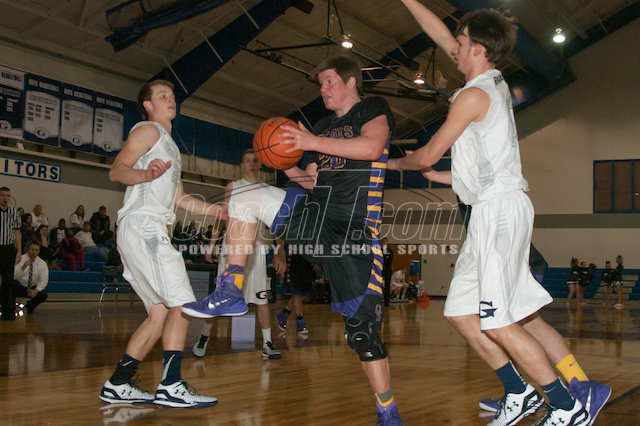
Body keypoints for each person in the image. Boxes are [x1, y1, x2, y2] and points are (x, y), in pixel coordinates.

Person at [393, 2, 601, 424]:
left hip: (500, 212)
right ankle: (519, 391)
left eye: (461, 41)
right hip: (486, 209)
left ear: (478, 49)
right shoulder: (489, 81)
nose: (453, 47)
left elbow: (427, 154)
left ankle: (566, 408)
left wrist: (391, 163)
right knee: (460, 312)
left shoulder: (474, 95)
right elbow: (441, 36)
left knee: (499, 322)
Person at [182, 55, 401, 424]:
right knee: (245, 195)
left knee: (362, 334)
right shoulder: (322, 128)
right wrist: (283, 161)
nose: (322, 88)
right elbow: (310, 181)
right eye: (320, 82)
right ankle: (231, 288)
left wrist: (310, 139)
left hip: (354, 233)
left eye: (329, 80)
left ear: (350, 81)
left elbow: (371, 148)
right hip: (316, 217)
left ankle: (388, 412)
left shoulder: (371, 109)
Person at [99, 79, 225, 408]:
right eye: (162, 95)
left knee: (159, 313)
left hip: (145, 230)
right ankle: (171, 385)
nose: (171, 99)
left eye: (172, 95)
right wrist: (144, 175)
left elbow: (180, 198)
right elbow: (117, 170)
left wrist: (217, 211)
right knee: (182, 301)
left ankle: (119, 383)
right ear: (148, 105)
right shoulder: (149, 130)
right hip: (144, 226)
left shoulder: (169, 146)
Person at [192, 149, 283, 360]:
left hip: (256, 251)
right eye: (247, 161)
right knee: (221, 296)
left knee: (261, 299)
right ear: (242, 165)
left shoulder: (266, 190)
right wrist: (212, 243)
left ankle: (268, 343)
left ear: (260, 165)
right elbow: (222, 216)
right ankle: (204, 337)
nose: (251, 164)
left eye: (255, 161)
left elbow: (277, 225)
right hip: (232, 250)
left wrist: (280, 252)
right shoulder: (233, 186)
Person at [275, 239, 314, 334]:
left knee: (303, 293)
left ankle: (284, 315)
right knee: (297, 292)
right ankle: (300, 323)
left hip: (306, 259)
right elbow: (280, 241)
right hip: (293, 258)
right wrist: (281, 258)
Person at [0, 187, 22, 320]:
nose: (5, 198)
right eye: (3, 195)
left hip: (8, 249)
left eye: (8, 195)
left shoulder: (14, 213)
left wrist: (19, 250)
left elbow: (17, 232)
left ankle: (7, 311)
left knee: (8, 282)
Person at [13, 240, 48, 314]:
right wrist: (23, 267)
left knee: (43, 295)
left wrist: (36, 291)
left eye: (36, 250)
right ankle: (10, 308)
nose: (34, 252)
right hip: (20, 286)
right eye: (32, 249)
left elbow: (43, 281)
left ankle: (29, 307)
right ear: (28, 249)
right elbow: (14, 276)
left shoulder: (42, 264)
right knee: (11, 285)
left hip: (32, 287)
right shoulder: (20, 259)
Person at [381, 237, 393, 306]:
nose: (384, 242)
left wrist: (386, 257)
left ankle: (387, 301)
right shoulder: (379, 250)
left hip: (388, 269)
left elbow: (390, 259)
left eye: (386, 241)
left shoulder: (390, 250)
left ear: (387, 242)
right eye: (383, 241)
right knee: (378, 285)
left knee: (387, 285)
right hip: (380, 269)